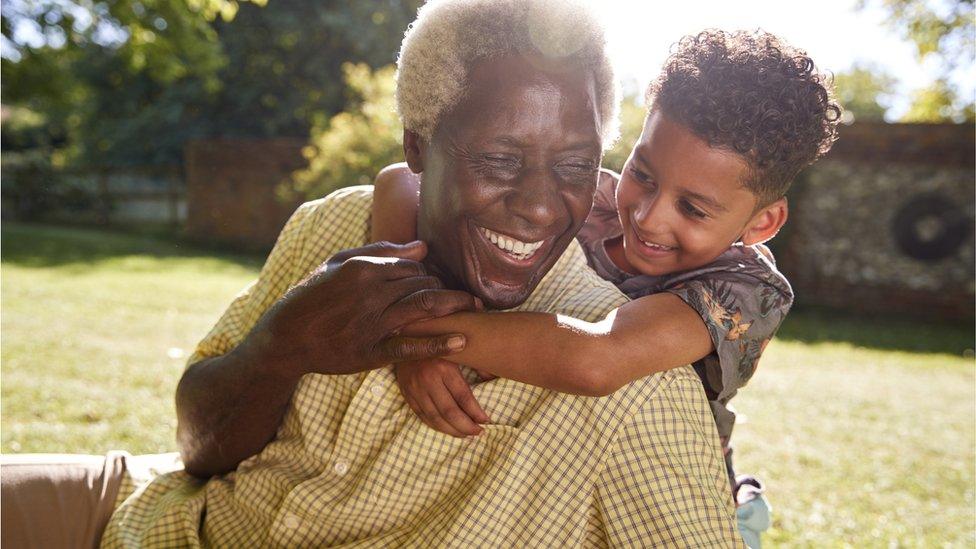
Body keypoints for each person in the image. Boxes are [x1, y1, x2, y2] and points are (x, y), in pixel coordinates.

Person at [1, 1, 744, 547]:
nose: (540, 207)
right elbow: (198, 447)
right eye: (498, 161)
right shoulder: (334, 226)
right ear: (420, 148)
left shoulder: (634, 391)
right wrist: (280, 345)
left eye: (577, 167)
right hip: (147, 515)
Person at [370, 28, 841, 539]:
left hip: (672, 503)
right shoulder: (590, 200)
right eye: (644, 173)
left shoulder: (744, 291)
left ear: (763, 223)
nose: (648, 215)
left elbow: (596, 359)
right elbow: (398, 181)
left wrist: (418, 334)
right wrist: (411, 307)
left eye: (693, 208)